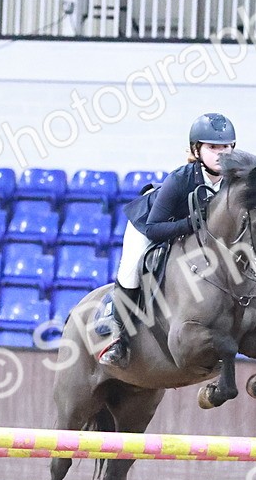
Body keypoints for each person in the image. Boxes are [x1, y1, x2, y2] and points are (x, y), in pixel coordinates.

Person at [97, 113, 236, 368]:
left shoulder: (233, 181)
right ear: (197, 149)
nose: (221, 154)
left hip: (190, 232)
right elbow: (153, 229)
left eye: (226, 147)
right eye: (213, 147)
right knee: (131, 270)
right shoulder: (181, 179)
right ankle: (120, 340)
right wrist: (189, 224)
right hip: (149, 224)